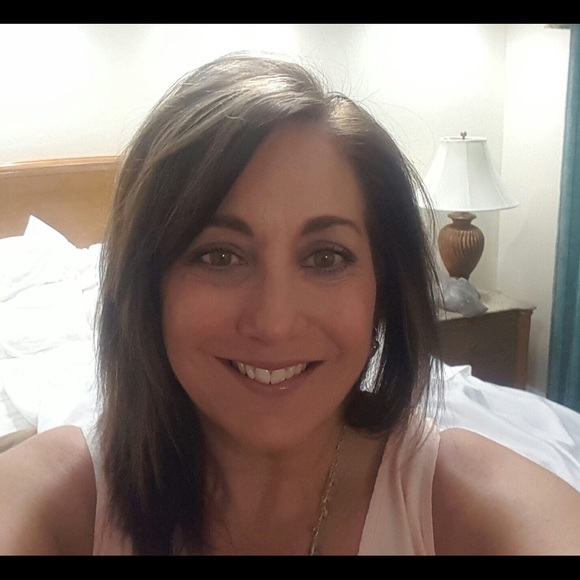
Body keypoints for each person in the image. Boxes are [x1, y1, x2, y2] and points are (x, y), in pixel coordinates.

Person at [1, 52, 580, 555]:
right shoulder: (60, 501)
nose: (274, 324)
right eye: (219, 256)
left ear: (382, 289)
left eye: (326, 257)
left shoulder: (470, 503)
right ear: (147, 286)